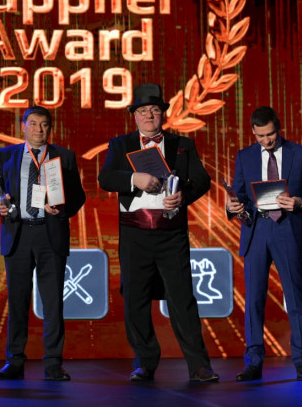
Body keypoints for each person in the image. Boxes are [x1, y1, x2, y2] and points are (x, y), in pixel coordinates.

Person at [98, 83, 219, 383]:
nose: (149, 115)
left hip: (171, 233)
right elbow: (105, 178)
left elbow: (202, 180)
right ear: (134, 115)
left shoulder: (182, 144)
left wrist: (183, 197)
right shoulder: (121, 144)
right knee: (135, 299)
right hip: (134, 232)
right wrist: (134, 179)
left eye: (155, 110)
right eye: (143, 111)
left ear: (163, 114)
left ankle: (199, 365)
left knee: (182, 298)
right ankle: (144, 363)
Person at [0, 106, 86, 381]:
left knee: (52, 302)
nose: (39, 129)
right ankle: (14, 361)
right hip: (18, 234)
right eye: (33, 124)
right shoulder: (7, 155)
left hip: (50, 234)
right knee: (17, 301)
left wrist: (61, 208)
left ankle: (53, 363)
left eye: (44, 124)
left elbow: (78, 196)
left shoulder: (64, 156)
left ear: (50, 128)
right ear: (23, 127)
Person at [226, 106, 302, 382]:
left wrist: (299, 202)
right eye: (260, 136)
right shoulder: (245, 156)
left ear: (278, 129)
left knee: (295, 297)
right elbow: (239, 195)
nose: (266, 141)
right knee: (254, 300)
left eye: (270, 135)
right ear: (253, 132)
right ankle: (253, 363)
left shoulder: (300, 153)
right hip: (256, 230)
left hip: (287, 229)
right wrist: (233, 206)